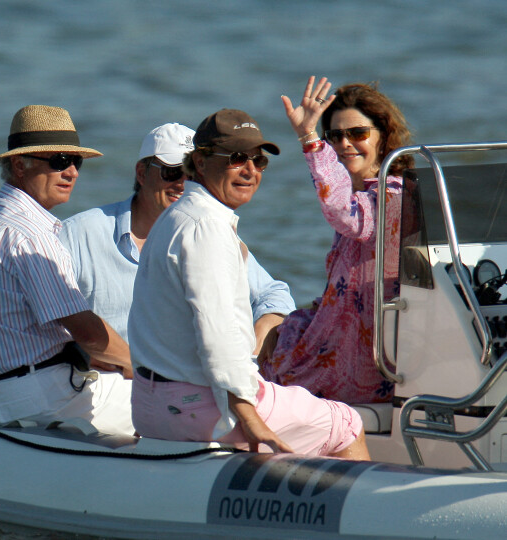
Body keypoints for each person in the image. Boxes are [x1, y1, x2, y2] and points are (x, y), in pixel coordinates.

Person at [128, 108, 370, 458]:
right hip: (201, 407)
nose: (250, 170)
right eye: (237, 158)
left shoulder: (175, 217)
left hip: (152, 406)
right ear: (199, 162)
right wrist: (248, 415)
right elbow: (218, 333)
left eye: (259, 161)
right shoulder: (206, 227)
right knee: (346, 423)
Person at [0, 105, 134, 436]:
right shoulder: (29, 234)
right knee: (184, 400)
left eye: (77, 162)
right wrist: (143, 368)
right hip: (43, 398)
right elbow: (86, 330)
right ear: (19, 164)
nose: (72, 172)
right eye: (59, 161)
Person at [60, 123, 295, 347]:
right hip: (104, 378)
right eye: (172, 172)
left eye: (192, 174)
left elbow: (275, 296)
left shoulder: (212, 234)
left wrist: (256, 344)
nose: (183, 184)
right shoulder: (79, 234)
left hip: (185, 380)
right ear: (142, 174)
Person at [259, 76, 413, 404]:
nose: (345, 144)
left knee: (267, 375)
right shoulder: (365, 194)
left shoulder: (392, 195)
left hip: (367, 356)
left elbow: (342, 211)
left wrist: (308, 137)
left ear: (383, 136)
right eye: (335, 136)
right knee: (276, 332)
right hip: (344, 338)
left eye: (358, 133)